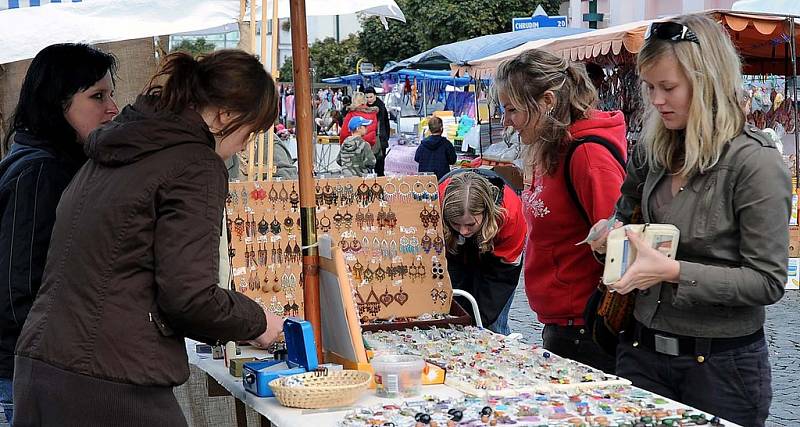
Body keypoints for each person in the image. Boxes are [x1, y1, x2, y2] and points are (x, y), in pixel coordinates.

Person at [13, 50, 284, 425]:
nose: (244, 146)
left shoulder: (119, 146)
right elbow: (189, 297)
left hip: (42, 367)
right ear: (224, 116)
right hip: (109, 381)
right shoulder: (195, 163)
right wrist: (259, 322)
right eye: (249, 132)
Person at [589, 15, 788, 426]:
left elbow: (768, 281)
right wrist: (608, 235)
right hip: (640, 352)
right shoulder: (651, 149)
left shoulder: (754, 163)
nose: (657, 100)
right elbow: (625, 216)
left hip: (720, 370)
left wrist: (674, 272)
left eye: (669, 88)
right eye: (649, 88)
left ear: (707, 82)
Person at [0, 43, 119, 425]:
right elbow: (17, 291)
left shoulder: (43, 164)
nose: (112, 108)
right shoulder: (39, 173)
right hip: (25, 379)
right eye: (97, 96)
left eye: (110, 94)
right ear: (57, 104)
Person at [495, 48, 627, 373]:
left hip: (587, 330)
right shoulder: (554, 146)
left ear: (547, 102)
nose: (505, 120)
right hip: (565, 325)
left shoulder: (586, 156)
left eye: (513, 109)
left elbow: (621, 249)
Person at [439, 170, 526, 335]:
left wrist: (479, 320)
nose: (464, 231)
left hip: (496, 260)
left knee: (492, 325)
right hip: (454, 253)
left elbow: (502, 277)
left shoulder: (511, 216)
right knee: (453, 317)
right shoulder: (437, 201)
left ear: (486, 213)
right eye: (457, 224)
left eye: (470, 224)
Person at [364, 86, 390, 176]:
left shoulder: (381, 106)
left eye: (371, 97)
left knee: (380, 165)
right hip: (367, 139)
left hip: (380, 138)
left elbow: (386, 122)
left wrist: (386, 137)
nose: (369, 99)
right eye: (367, 97)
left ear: (375, 96)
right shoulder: (363, 108)